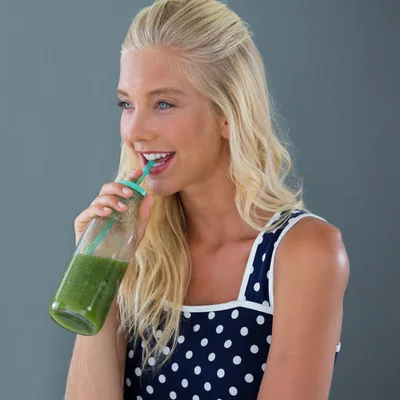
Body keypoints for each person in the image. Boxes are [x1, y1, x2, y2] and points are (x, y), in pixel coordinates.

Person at [65, 0, 349, 398]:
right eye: (127, 104)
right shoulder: (138, 251)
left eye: (163, 104)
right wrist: (100, 266)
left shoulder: (304, 253)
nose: (135, 130)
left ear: (228, 114)